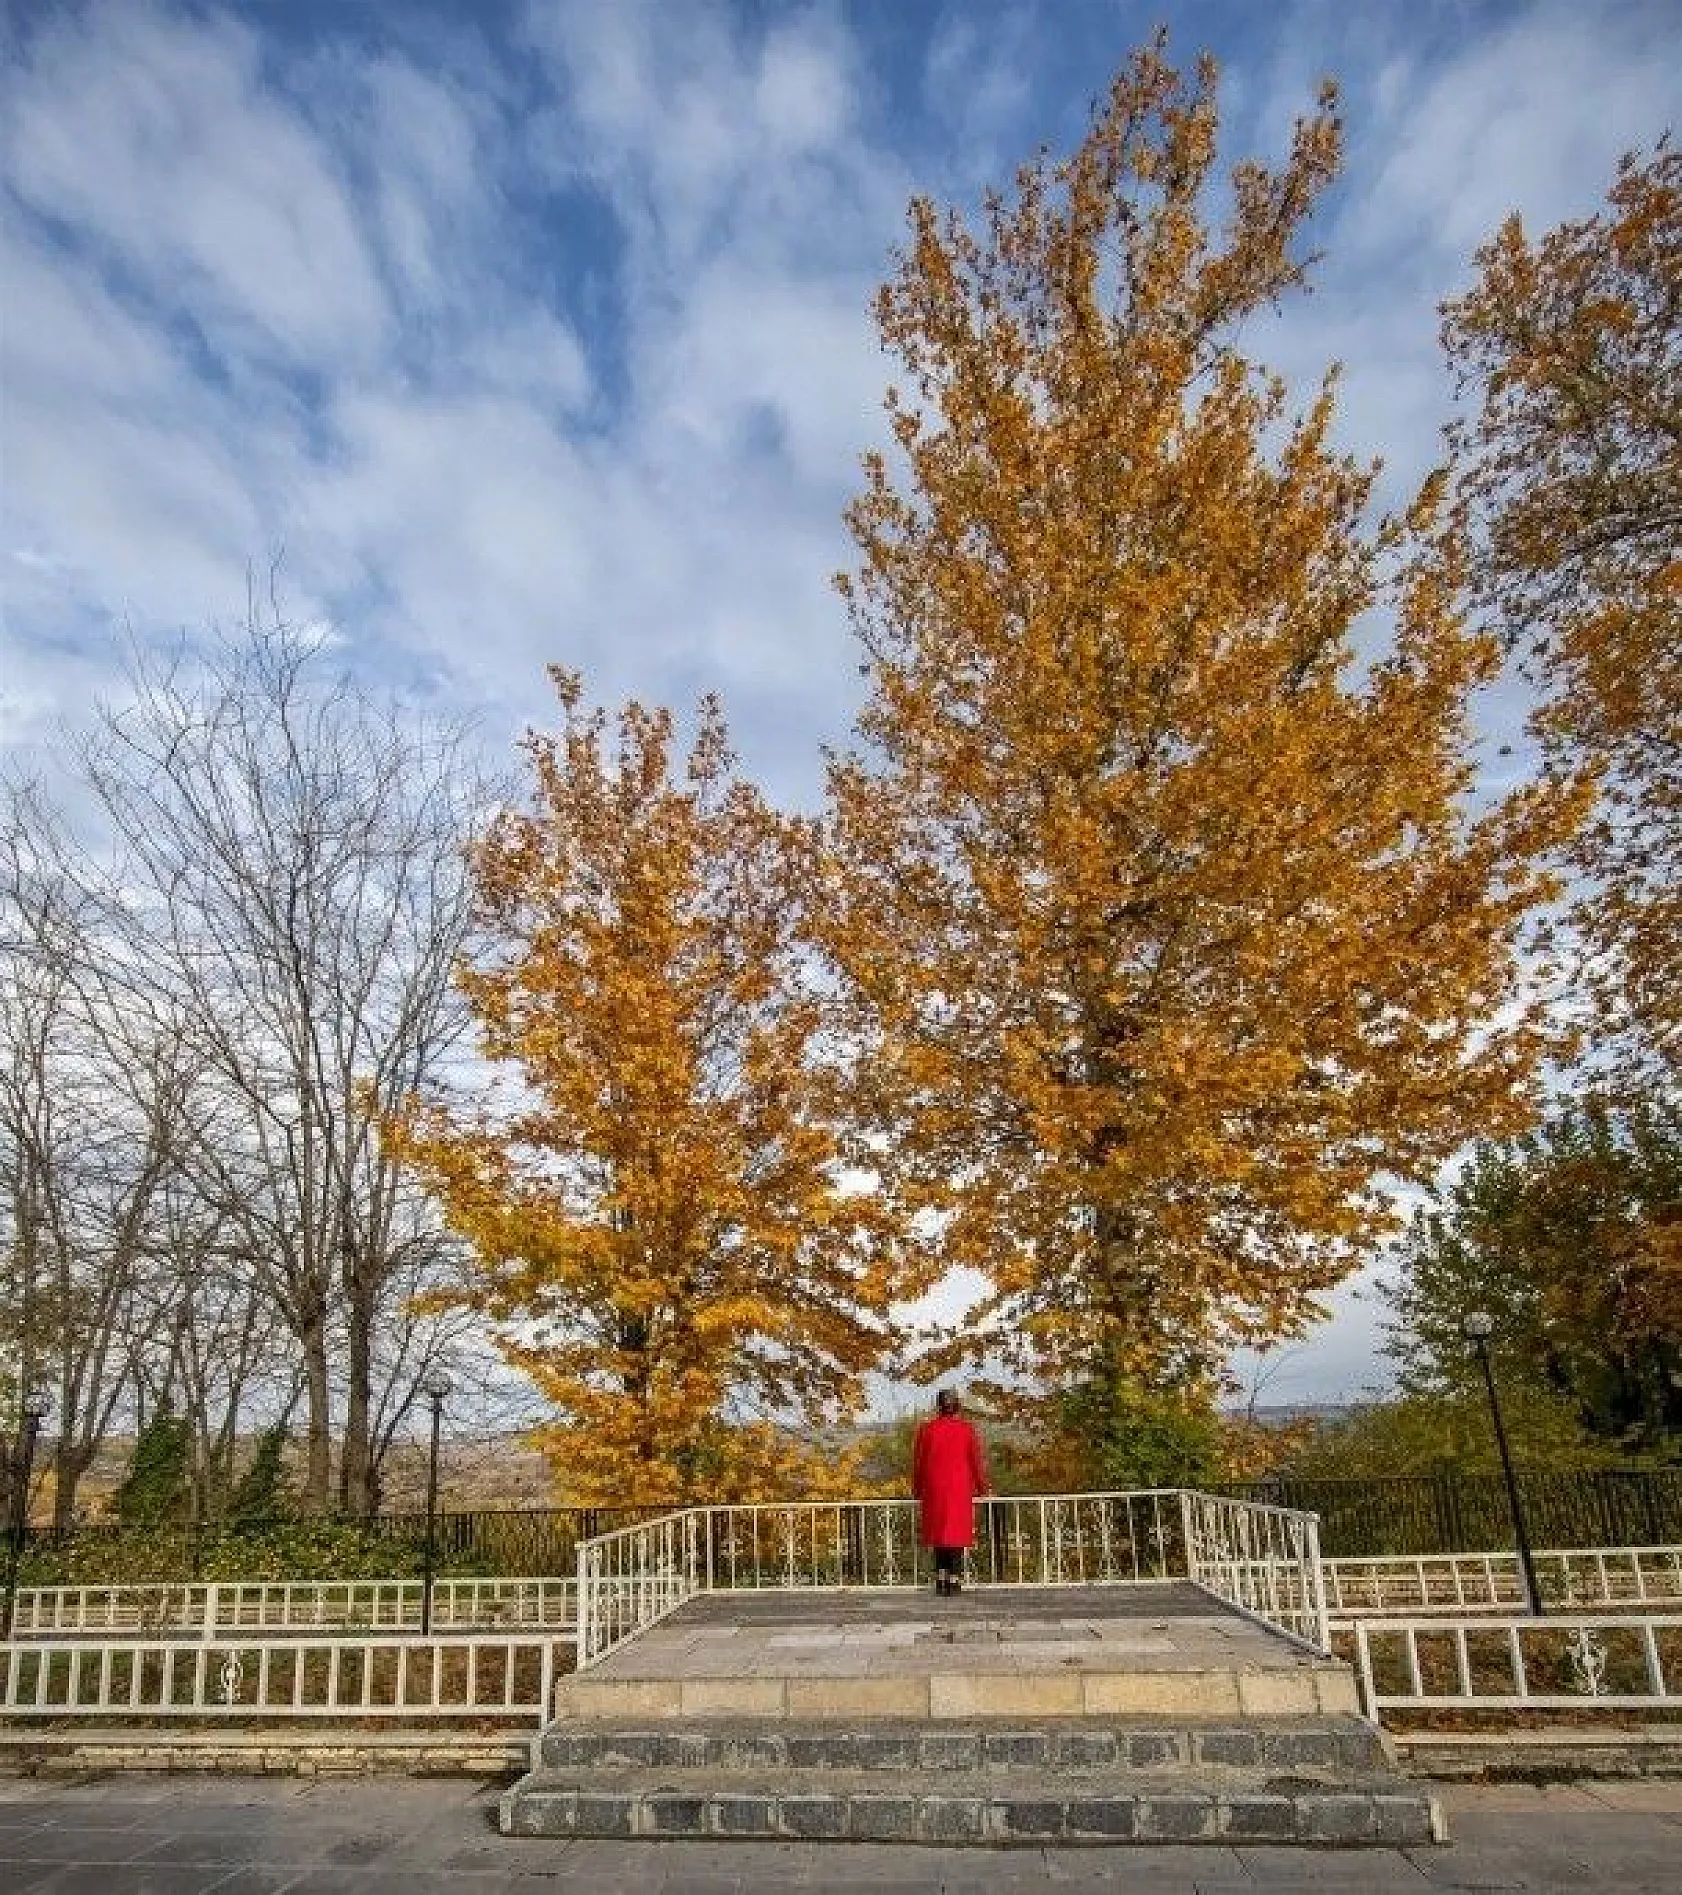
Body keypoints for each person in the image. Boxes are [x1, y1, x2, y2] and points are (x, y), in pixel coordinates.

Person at [911, 1389, 989, 1595]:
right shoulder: (967, 1430)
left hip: (934, 1489)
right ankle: (954, 1579)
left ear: (939, 1406)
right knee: (955, 1534)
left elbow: (919, 1463)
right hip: (959, 1489)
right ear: (957, 1406)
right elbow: (976, 1462)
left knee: (939, 1535)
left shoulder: (927, 1430)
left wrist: (917, 1489)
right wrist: (983, 1489)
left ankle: (941, 1578)